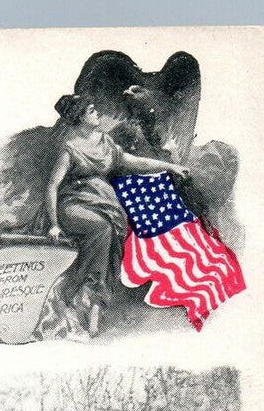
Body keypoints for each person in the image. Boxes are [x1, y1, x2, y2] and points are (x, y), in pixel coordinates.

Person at [38, 94, 190, 339]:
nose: (97, 113)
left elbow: (132, 162)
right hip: (74, 204)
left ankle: (89, 300)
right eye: (91, 110)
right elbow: (52, 186)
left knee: (108, 234)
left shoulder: (104, 142)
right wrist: (54, 224)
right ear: (80, 118)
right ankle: (80, 296)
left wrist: (169, 166)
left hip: (105, 205)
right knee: (103, 230)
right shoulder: (70, 147)